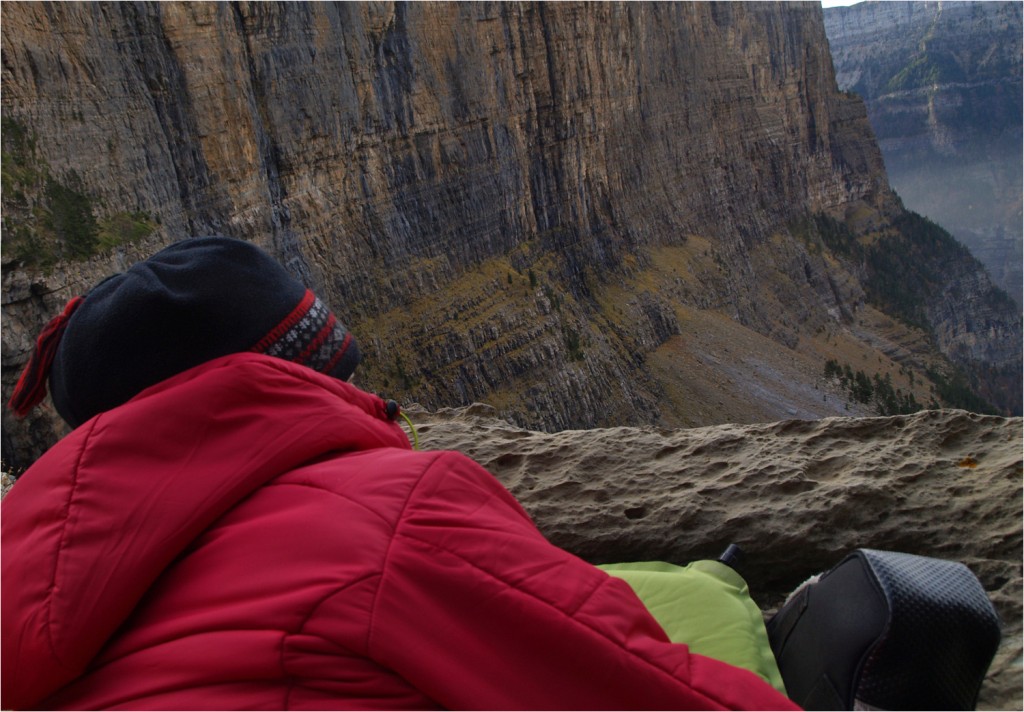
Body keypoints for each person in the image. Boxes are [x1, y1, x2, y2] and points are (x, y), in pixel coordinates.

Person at [1, 236, 797, 710]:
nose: (366, 391)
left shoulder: (36, 582)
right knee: (706, 607)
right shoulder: (392, 518)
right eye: (336, 371)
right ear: (282, 382)